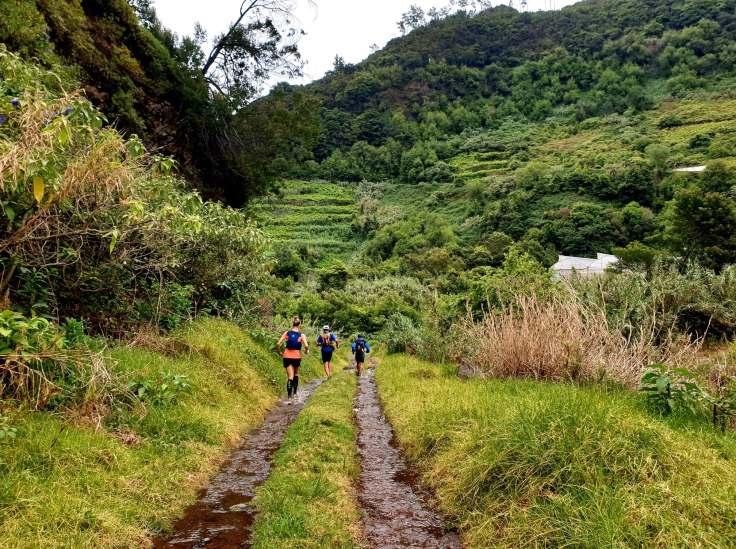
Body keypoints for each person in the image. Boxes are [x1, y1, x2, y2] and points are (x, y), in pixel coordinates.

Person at [276, 316, 309, 403]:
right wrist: (305, 351)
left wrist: (279, 352)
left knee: (290, 376)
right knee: (296, 374)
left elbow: (278, 344)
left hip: (286, 356)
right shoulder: (302, 335)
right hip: (296, 357)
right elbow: (306, 345)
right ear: (299, 324)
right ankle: (295, 394)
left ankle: (289, 397)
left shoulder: (287, 333)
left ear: (292, 323)